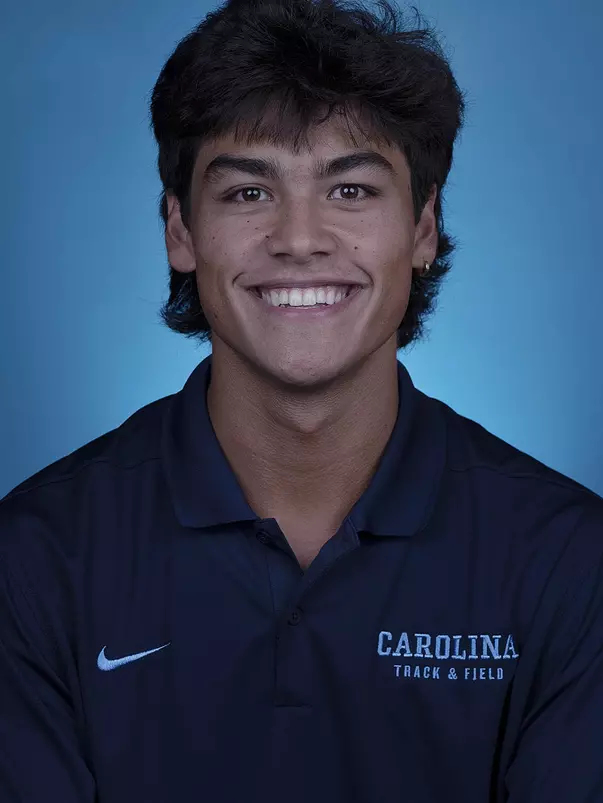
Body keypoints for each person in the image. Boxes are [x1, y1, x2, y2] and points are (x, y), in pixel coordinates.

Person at [1, 0, 602, 799]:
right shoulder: (36, 558)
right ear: (180, 231)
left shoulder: (567, 560)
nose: (299, 238)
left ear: (422, 227)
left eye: (350, 189)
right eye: (248, 193)